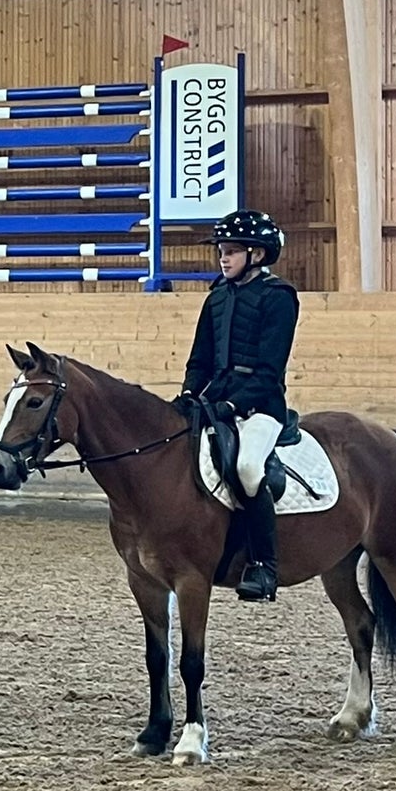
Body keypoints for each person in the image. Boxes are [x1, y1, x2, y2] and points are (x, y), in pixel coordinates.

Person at [172, 209, 299, 602]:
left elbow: (269, 369)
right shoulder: (217, 297)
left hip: (261, 405)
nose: (223, 258)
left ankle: (264, 566)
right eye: (221, 252)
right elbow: (200, 358)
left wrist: (233, 404)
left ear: (256, 255)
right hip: (217, 398)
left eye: (231, 251)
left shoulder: (279, 298)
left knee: (246, 467)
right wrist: (191, 393)